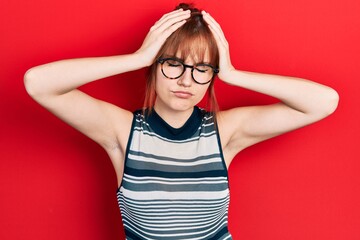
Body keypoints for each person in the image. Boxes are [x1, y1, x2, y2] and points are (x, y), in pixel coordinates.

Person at [24, 3, 339, 240]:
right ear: (154, 66)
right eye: (173, 64)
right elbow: (38, 83)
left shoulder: (224, 132)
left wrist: (232, 73)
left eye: (201, 68)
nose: (186, 80)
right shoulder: (122, 131)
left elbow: (323, 102)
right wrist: (137, 58)